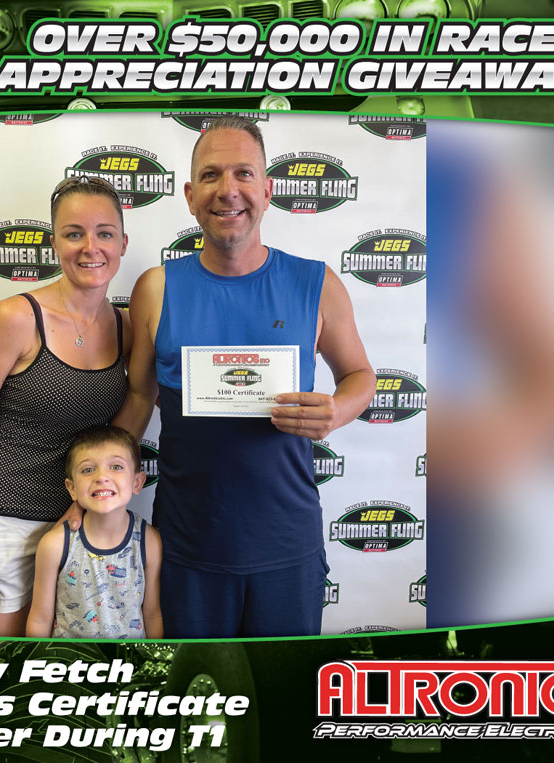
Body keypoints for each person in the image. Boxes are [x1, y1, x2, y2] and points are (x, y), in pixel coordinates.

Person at [111, 116, 376, 638]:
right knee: (193, 684)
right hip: (187, 547)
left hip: (287, 547)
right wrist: (99, 477)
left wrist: (337, 410)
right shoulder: (156, 288)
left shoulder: (316, 283)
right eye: (210, 175)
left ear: (267, 190)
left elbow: (360, 375)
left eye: (243, 174)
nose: (227, 190)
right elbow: (140, 396)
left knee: (282, 682)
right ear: (190, 196)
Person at [0, 176, 131, 637]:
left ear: (123, 244)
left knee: (66, 665)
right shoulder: (15, 318)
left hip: (83, 522)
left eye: (105, 233)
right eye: (74, 233)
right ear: (54, 244)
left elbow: (130, 417)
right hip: (6, 519)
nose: (90, 247)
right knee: (0, 664)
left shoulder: (125, 327)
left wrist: (92, 501)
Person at [26, 425, 163, 638]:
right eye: (88, 470)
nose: (101, 477)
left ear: (137, 482)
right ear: (72, 488)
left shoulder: (149, 541)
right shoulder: (54, 545)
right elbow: (40, 619)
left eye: (116, 467)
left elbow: (152, 615)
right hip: (67, 658)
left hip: (130, 658)